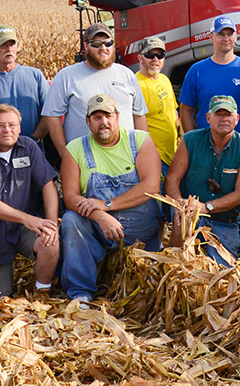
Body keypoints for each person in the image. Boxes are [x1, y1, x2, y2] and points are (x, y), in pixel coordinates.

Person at [58, 93, 163, 305]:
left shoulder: (140, 141)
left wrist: (108, 205)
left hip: (141, 232)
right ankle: (81, 293)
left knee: (147, 293)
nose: (103, 122)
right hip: (99, 231)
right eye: (96, 117)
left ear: (117, 116)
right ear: (88, 121)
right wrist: (100, 216)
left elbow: (151, 186)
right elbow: (70, 197)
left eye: (107, 115)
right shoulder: (75, 149)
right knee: (71, 220)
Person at [0, 103, 60, 298]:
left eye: (12, 125)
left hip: (25, 229)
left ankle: (42, 291)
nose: (7, 130)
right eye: (1, 126)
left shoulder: (29, 147)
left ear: (19, 128)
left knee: (50, 242)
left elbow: (47, 184)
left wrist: (51, 223)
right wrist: (26, 218)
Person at [165, 94, 240, 265]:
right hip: (190, 217)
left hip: (224, 221)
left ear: (236, 119)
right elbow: (172, 178)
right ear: (208, 118)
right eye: (218, 114)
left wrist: (206, 207)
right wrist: (180, 204)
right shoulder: (190, 140)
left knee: (221, 275)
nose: (224, 119)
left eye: (228, 115)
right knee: (179, 266)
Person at [39, 25, 148, 161]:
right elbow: (53, 117)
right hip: (84, 160)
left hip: (126, 158)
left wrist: (143, 152)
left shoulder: (127, 75)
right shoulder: (67, 76)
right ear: (86, 46)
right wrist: (65, 154)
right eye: (96, 44)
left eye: (108, 43)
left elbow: (139, 115)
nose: (103, 48)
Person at [177, 16, 240, 135]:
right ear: (211, 37)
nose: (226, 38)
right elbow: (186, 109)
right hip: (207, 146)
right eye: (221, 34)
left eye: (230, 34)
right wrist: (193, 142)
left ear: (236, 36)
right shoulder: (197, 71)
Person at [0, 26, 48, 139]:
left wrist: (33, 141)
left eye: (12, 44)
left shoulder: (35, 75)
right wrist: (5, 143)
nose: (9, 49)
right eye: (3, 45)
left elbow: (49, 113)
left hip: (32, 150)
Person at [133, 35, 180, 170]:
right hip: (154, 157)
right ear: (140, 58)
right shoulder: (135, 85)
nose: (155, 59)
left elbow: (173, 112)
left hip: (173, 154)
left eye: (160, 55)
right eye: (150, 55)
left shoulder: (165, 79)